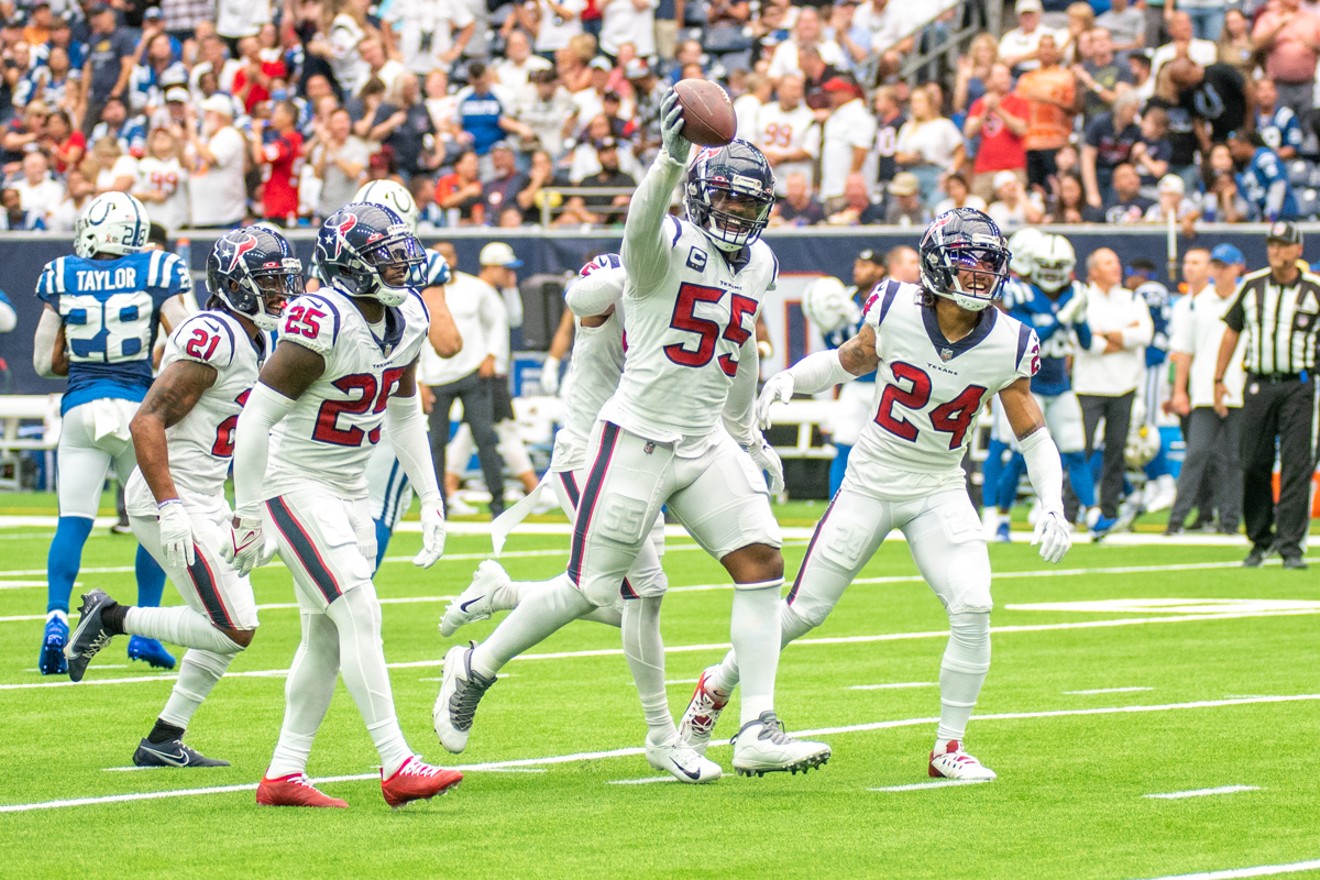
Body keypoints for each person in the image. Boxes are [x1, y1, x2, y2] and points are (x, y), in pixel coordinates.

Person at [433, 99, 830, 781]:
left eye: (749, 204)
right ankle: (476, 666)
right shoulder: (660, 248)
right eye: (727, 202)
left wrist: (747, 433)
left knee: (763, 563)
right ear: (700, 199)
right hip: (634, 440)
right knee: (593, 591)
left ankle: (757, 725)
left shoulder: (759, 263)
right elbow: (637, 226)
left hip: (702, 443)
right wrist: (672, 156)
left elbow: (738, 351)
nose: (737, 216)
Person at [683, 208, 1071, 782]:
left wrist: (1052, 502)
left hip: (940, 486)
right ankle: (714, 691)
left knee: (974, 605)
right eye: (969, 266)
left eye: (990, 267)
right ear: (938, 265)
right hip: (869, 480)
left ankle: (949, 747)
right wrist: (793, 376)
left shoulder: (1010, 342)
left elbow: (1032, 432)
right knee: (801, 611)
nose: (981, 278)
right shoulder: (894, 306)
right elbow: (849, 361)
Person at [224, 202, 459, 808]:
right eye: (385, 256)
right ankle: (396, 761)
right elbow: (255, 418)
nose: (401, 265)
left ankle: (283, 774)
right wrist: (248, 511)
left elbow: (406, 412)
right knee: (358, 609)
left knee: (325, 638)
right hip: (294, 481)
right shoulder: (320, 318)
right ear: (351, 266)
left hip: (350, 488)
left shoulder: (407, 315)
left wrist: (430, 496)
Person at [62, 227, 302, 766]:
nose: (283, 293)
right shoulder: (214, 333)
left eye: (286, 280)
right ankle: (111, 617)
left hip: (206, 495)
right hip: (167, 498)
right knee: (234, 627)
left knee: (228, 621)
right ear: (236, 286)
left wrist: (249, 509)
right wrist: (169, 507)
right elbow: (146, 419)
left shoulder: (258, 336)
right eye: (269, 282)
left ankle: (163, 739)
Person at [31, 192, 190, 676]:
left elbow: (43, 362)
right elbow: (186, 342)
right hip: (136, 410)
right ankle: (144, 633)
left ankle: (56, 619)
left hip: (80, 408)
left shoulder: (62, 274)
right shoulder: (156, 271)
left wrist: (83, 366)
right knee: (152, 524)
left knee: (72, 523)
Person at [349, 180, 461, 566]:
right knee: (377, 506)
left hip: (332, 401)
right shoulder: (422, 265)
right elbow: (448, 342)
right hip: (386, 399)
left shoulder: (330, 261)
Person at [1213, 222, 1320, 570]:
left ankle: (1291, 546)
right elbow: (1232, 331)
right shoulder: (1253, 285)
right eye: (1272, 244)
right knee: (1253, 462)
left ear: (1298, 250)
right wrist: (1218, 378)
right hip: (1258, 384)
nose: (1276, 250)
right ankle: (1261, 538)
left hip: (1299, 386)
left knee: (1295, 465)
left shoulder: (1315, 290)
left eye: (1283, 244)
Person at [993, 233, 1113, 538]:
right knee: (1020, 456)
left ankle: (1094, 515)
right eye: (1046, 264)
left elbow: (1085, 342)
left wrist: (1081, 317)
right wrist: (1062, 317)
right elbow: (1030, 339)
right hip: (1026, 389)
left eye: (1057, 265)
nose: (1051, 270)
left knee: (1075, 452)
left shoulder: (1075, 293)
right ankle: (1002, 518)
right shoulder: (1021, 292)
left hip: (1059, 386)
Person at [1166, 243, 1246, 536]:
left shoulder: (1246, 298)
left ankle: (1229, 521)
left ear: (1238, 267)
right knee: (1196, 454)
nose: (1220, 272)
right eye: (1217, 266)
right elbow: (1184, 350)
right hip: (1202, 389)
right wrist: (1179, 390)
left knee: (1234, 459)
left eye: (1225, 266)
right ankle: (1176, 520)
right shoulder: (1197, 303)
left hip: (1239, 389)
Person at [1073, 247, 1154, 529]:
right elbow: (1082, 340)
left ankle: (1108, 512)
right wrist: (1122, 335)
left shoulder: (1132, 298)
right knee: (1078, 449)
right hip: (1088, 386)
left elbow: (1144, 334)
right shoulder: (1082, 298)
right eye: (1108, 263)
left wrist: (1103, 335)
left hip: (1124, 385)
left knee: (1116, 451)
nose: (1116, 267)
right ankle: (1070, 512)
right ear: (1093, 271)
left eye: (1117, 262)